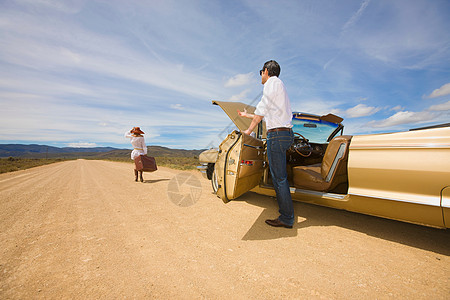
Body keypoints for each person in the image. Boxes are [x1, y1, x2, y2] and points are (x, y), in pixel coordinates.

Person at [238, 60, 295, 228]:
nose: (261, 76)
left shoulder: (270, 83)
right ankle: (287, 213)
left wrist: (248, 131)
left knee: (279, 178)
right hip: (285, 134)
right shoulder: (280, 86)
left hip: (276, 136)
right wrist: (246, 115)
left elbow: (261, 112)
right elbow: (263, 114)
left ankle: (286, 217)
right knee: (281, 176)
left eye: (261, 72)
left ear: (266, 71)